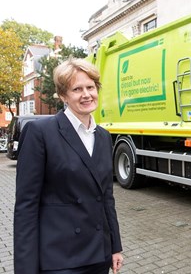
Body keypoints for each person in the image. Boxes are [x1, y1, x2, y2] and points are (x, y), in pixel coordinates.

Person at [14, 58, 123, 274]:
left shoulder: (103, 137)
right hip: (60, 260)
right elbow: (26, 207)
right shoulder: (41, 133)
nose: (86, 94)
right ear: (64, 95)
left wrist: (115, 247)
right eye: (77, 89)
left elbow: (106, 198)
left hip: (98, 257)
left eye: (91, 87)